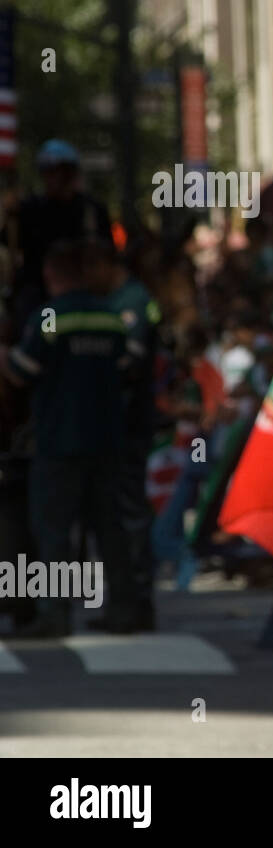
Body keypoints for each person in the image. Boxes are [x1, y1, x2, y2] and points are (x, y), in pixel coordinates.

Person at [0, 242, 130, 637]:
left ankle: (53, 615)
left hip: (59, 442)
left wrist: (3, 354)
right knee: (110, 529)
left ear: (51, 276)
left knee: (53, 530)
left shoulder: (52, 317)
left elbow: (23, 371)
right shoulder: (111, 317)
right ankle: (124, 610)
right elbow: (125, 368)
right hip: (107, 441)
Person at [85, 239, 161, 632]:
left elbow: (127, 362)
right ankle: (125, 602)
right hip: (117, 425)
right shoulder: (119, 300)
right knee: (117, 514)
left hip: (128, 424)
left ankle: (136, 603)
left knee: (129, 514)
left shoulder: (131, 301)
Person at [10, 140, 113, 334]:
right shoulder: (30, 209)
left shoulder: (91, 210)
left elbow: (107, 253)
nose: (54, 178)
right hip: (41, 293)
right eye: (48, 172)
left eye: (60, 171)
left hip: (87, 291)